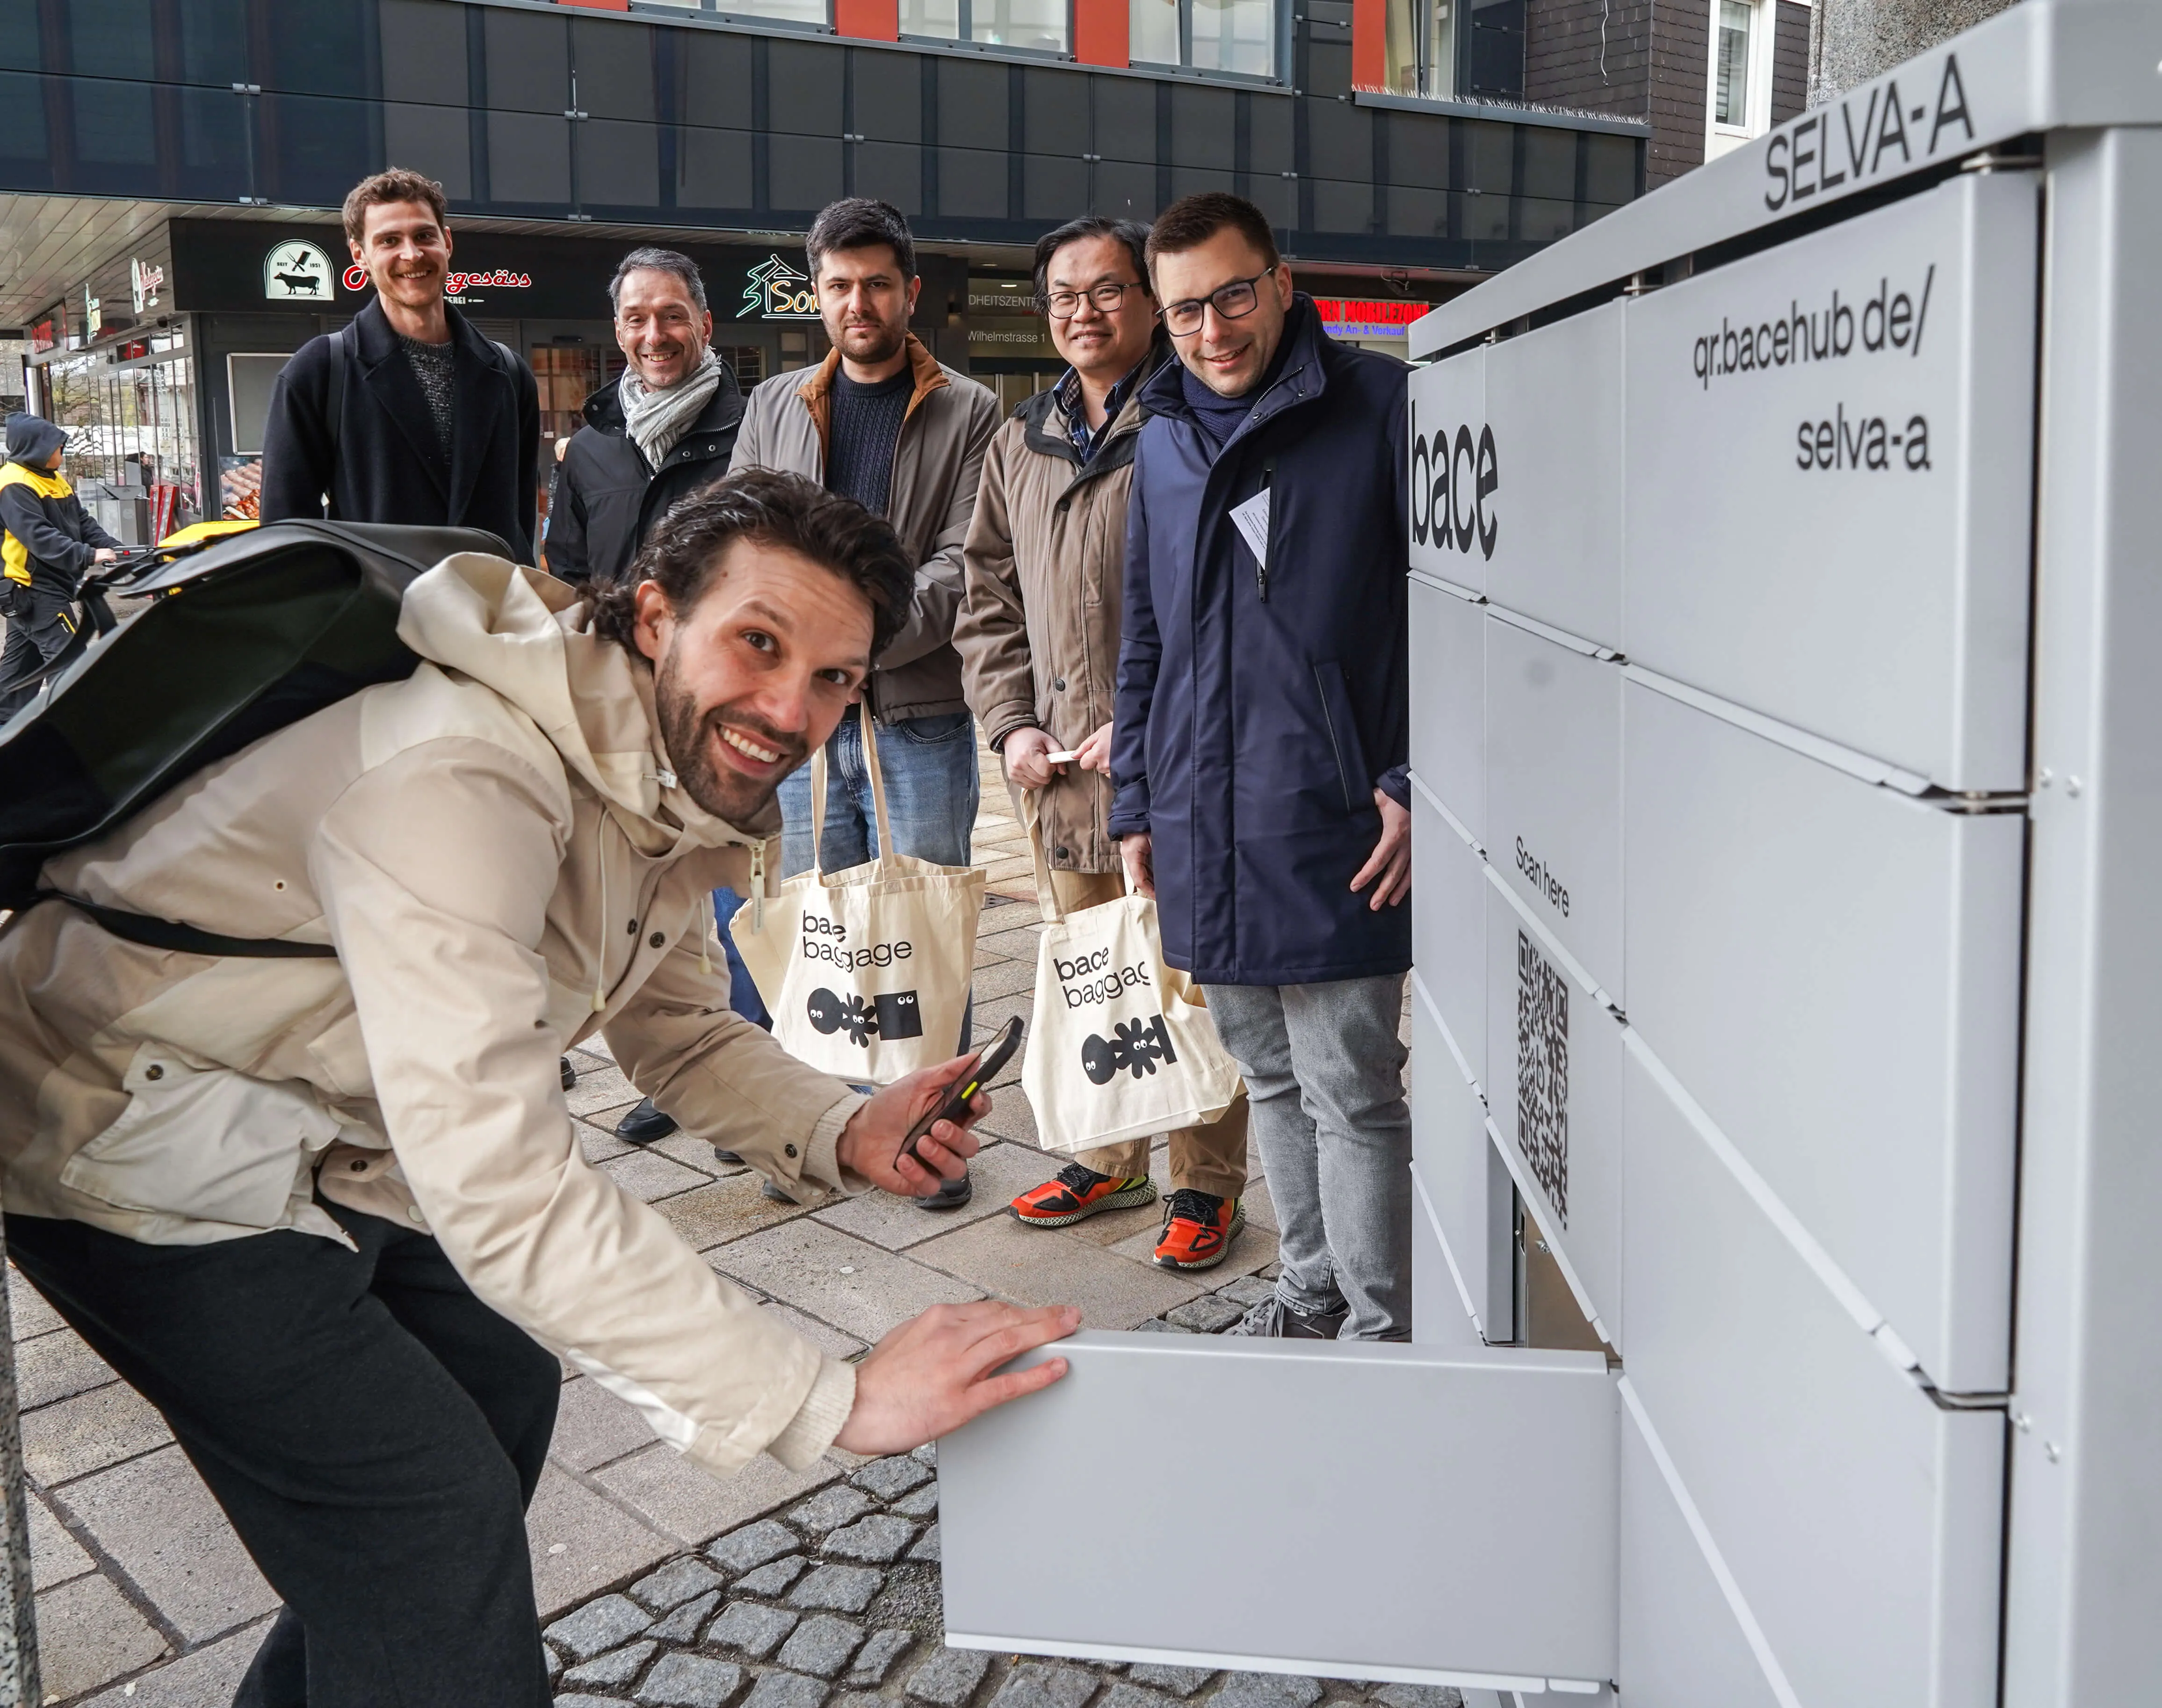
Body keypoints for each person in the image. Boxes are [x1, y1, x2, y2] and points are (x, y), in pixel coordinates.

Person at [0, 472, 1078, 1703]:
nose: (791, 709)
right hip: (120, 1125)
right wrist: (829, 1394)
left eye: (833, 677)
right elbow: (503, 1190)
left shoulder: (659, 771)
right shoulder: (465, 779)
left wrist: (835, 1124)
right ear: (658, 617)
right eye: (759, 643)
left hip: (303, 1117)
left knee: (495, 1391)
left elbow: (671, 1032)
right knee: (428, 1522)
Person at [1113, 194, 1414, 1339]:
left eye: (1233, 294)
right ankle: (1308, 1284)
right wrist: (1136, 797)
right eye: (1185, 307)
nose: (1213, 328)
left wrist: (1412, 773)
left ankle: (1382, 1326)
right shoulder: (1163, 440)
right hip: (1202, 818)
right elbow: (1142, 634)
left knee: (1352, 1086)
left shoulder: (1380, 404)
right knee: (1268, 1076)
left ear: (1283, 284)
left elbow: (1454, 609)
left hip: (1337, 815)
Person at [955, 217, 1251, 1271]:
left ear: (1146, 297)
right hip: (1059, 775)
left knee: (1189, 978)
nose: (1084, 311)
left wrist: (1159, 717)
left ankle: (1207, 1180)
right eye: (1063, 296)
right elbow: (982, 593)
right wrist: (1010, 722)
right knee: (1092, 973)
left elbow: (1232, 597)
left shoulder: (1197, 418)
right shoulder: (1017, 436)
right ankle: (1108, 1154)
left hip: (1173, 765)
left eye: (1107, 290)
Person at [729, 198, 999, 1209]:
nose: (858, 301)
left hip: (917, 711)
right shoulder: (777, 406)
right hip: (802, 719)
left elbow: (966, 561)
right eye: (838, 284)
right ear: (816, 292)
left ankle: (934, 1136)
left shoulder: (968, 409)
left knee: (925, 933)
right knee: (822, 928)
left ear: (909, 291)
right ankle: (829, 1127)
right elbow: (743, 540)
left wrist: (852, 643)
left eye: (877, 282)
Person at [545, 246, 762, 1145]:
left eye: (671, 315)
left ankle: (753, 1060)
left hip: (729, 701)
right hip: (625, 703)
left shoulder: (753, 426)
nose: (653, 334)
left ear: (705, 326)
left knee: (736, 887)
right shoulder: (593, 445)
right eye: (636, 318)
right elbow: (560, 570)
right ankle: (678, 1067)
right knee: (650, 882)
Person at [260, 166, 542, 563]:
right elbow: (285, 531)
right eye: (389, 240)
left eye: (424, 235)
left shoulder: (511, 374)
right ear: (360, 255)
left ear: (446, 242)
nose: (411, 254)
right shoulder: (319, 371)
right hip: (377, 616)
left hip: (487, 616)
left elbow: (520, 518)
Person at [0, 413, 121, 721]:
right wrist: (88, 557)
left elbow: (81, 522)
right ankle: (75, 733)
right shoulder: (14, 483)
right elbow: (39, 537)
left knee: (19, 671)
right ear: (37, 448)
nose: (62, 453)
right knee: (71, 664)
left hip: (38, 588)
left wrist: (116, 550)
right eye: (59, 447)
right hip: (32, 588)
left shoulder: (51, 478)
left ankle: (8, 727)